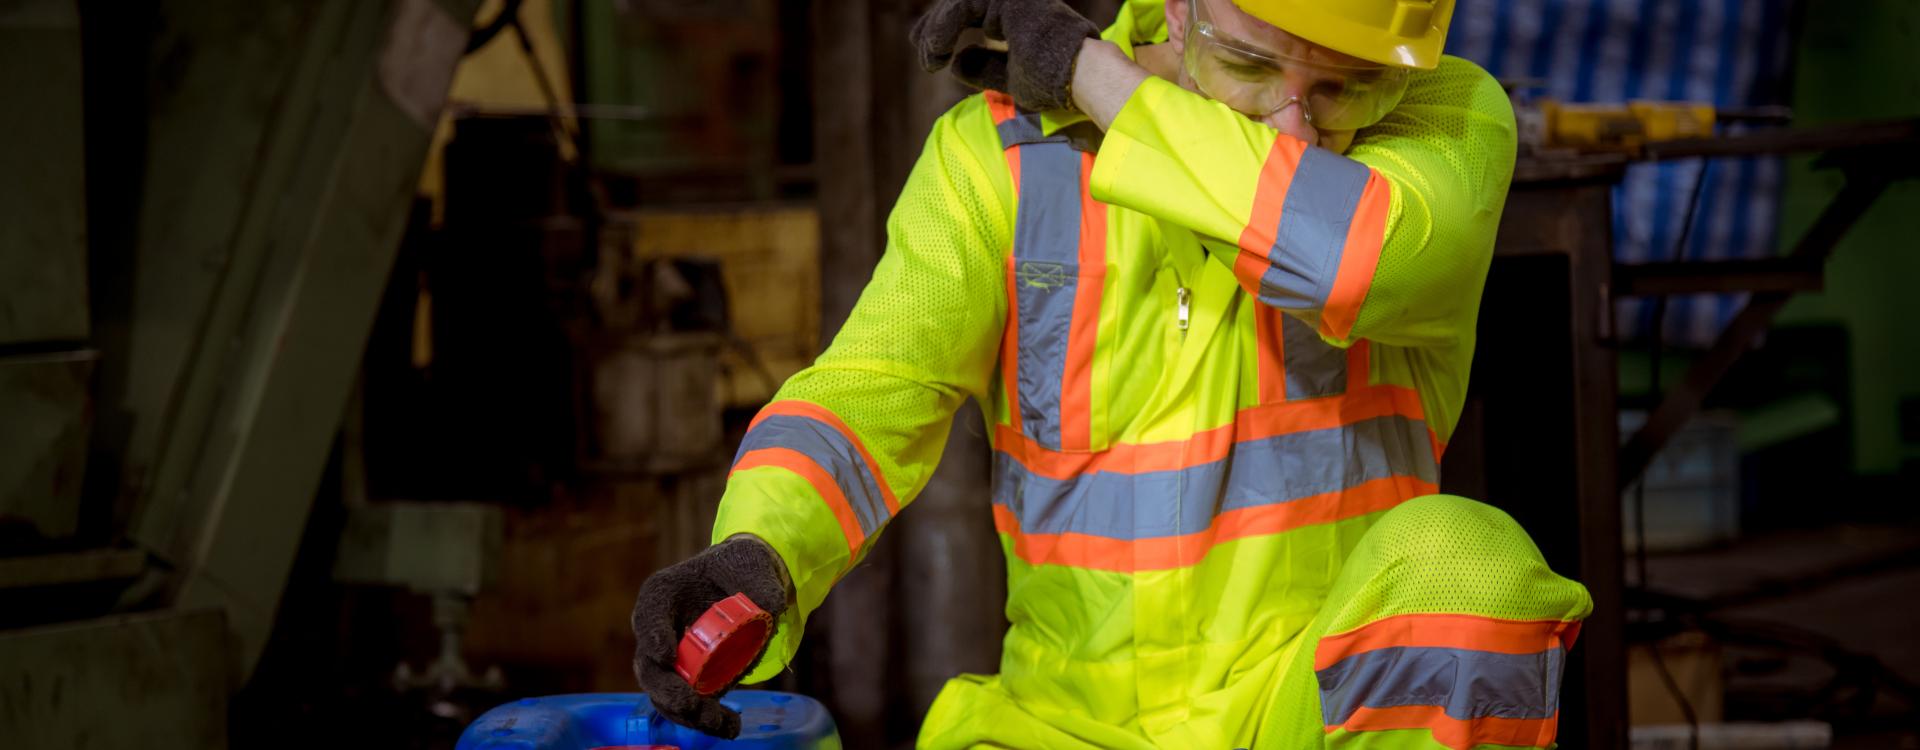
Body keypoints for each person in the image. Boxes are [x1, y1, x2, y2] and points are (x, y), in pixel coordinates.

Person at [631, 0, 1594, 747]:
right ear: (1177, 8)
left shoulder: (1446, 121)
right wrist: (760, 550)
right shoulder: (1002, 158)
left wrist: (1090, 74)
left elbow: (1345, 260)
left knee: (1472, 568)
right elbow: (873, 392)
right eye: (1252, 65)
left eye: (1345, 89)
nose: (1295, 129)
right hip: (1052, 724)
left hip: (1306, 717)